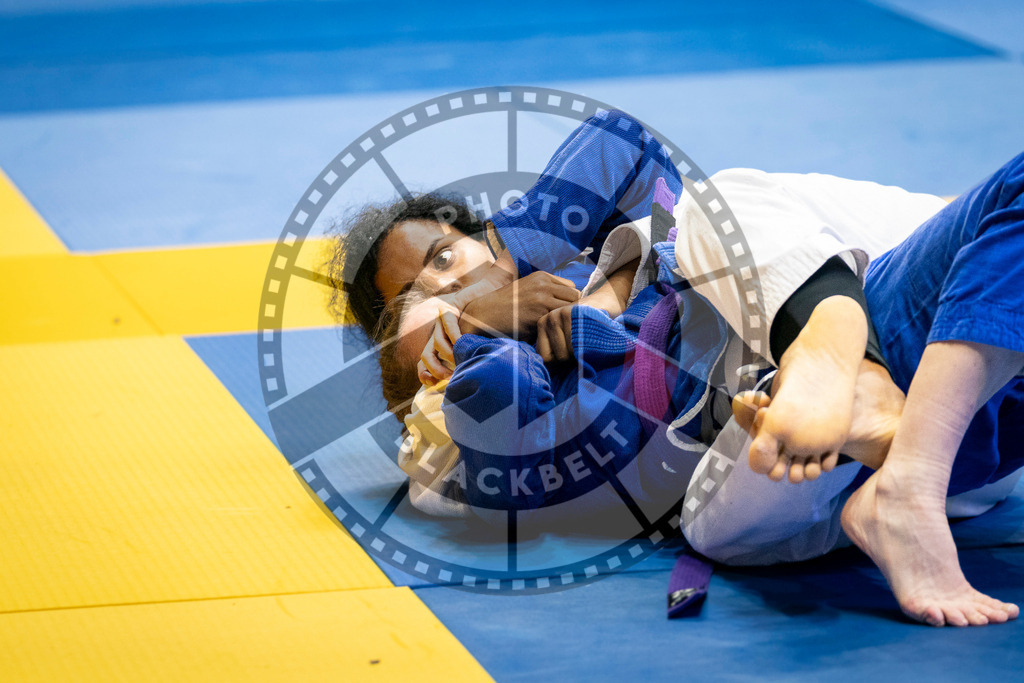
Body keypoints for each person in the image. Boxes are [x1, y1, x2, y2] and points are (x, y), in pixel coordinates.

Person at [327, 110, 1024, 626]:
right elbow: (473, 450)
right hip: (762, 459)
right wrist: (479, 325)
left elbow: (622, 143)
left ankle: (874, 406)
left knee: (707, 208)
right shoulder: (440, 425)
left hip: (934, 370)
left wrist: (525, 258)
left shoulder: (592, 263)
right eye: (415, 298)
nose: (449, 285)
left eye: (447, 255)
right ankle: (858, 382)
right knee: (712, 211)